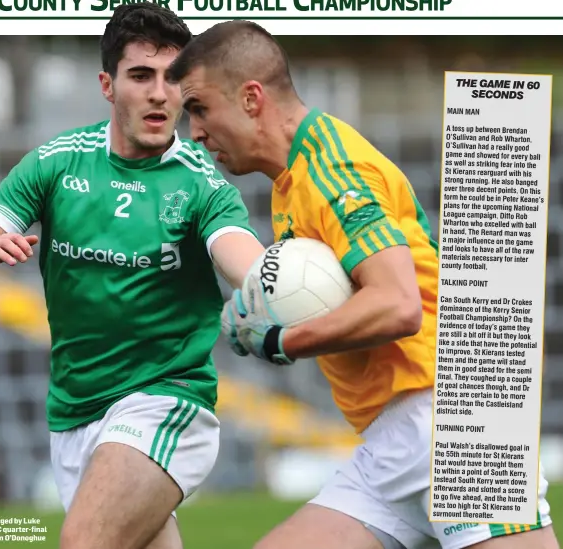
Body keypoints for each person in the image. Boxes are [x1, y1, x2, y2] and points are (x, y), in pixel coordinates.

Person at [166, 21, 558, 549]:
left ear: (251, 98)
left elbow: (398, 306)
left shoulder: (332, 168)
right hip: (389, 443)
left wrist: (281, 340)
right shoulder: (293, 179)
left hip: (454, 423)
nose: (194, 130)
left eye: (199, 108)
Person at [0, 6, 265, 549]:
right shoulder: (55, 165)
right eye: (140, 76)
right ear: (108, 85)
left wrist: (269, 281)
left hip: (164, 401)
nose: (159, 94)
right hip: (75, 416)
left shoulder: (204, 186)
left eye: (172, 79)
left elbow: (242, 257)